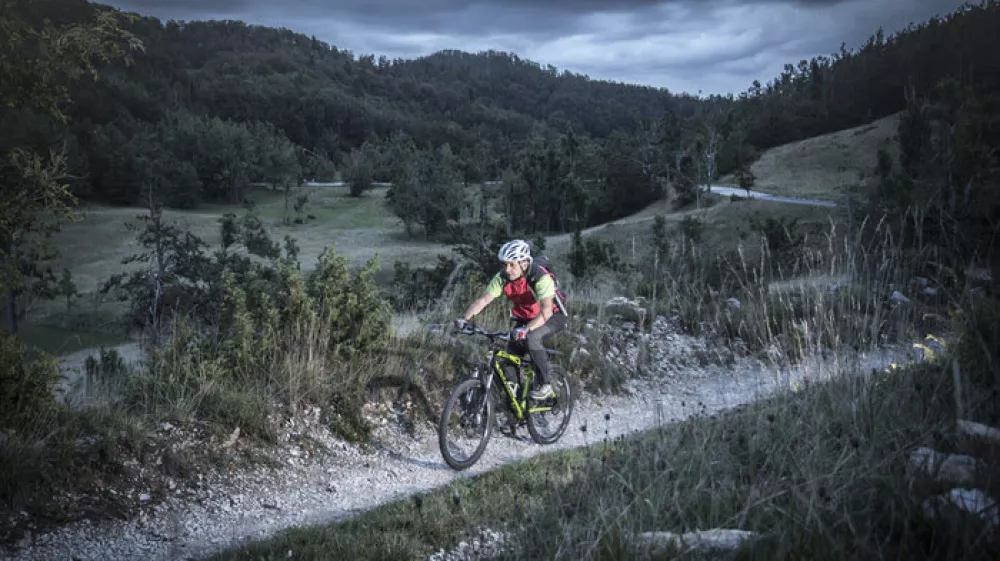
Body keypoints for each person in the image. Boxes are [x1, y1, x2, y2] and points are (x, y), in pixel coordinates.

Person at [454, 239, 567, 400]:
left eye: (512, 265)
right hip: (525, 317)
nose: (507, 269)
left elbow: (546, 311)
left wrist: (527, 329)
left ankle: (546, 385)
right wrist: (464, 319)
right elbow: (483, 300)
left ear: (524, 264)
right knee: (510, 355)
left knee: (532, 338)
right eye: (505, 264)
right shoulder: (503, 277)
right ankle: (515, 399)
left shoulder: (540, 278)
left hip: (552, 316)